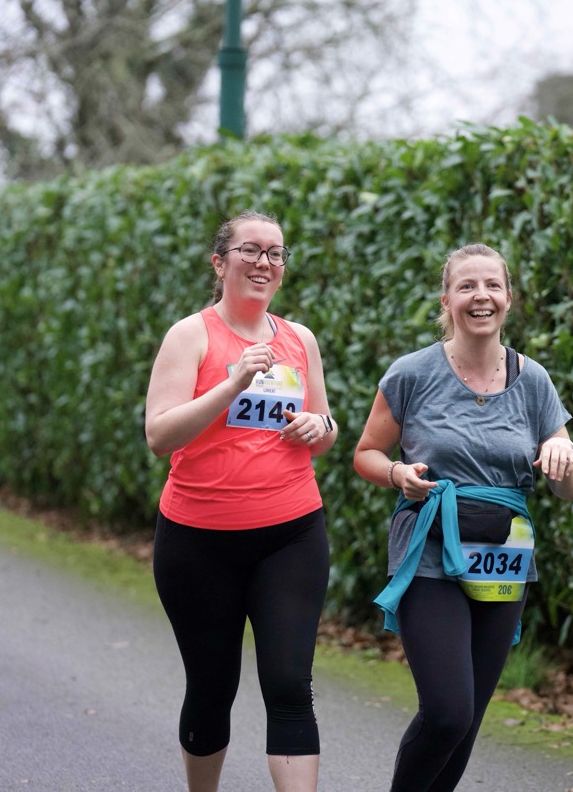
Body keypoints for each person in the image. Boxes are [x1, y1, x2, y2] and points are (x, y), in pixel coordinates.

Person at [353, 243, 573, 792]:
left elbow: (570, 489)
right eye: (467, 286)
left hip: (504, 558)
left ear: (509, 298)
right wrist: (397, 474)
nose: (481, 296)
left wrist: (566, 456)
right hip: (430, 549)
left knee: (467, 724)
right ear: (447, 301)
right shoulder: (412, 374)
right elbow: (366, 453)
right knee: (447, 713)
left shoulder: (534, 380)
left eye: (492, 285)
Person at [145, 210, 336, 792]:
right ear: (219, 262)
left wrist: (319, 426)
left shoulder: (300, 339)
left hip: (291, 533)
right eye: (250, 250)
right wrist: (232, 384)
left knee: (289, 684)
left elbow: (325, 427)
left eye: (275, 253)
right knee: (211, 688)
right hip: (198, 541)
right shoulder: (190, 335)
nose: (264, 262)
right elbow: (160, 435)